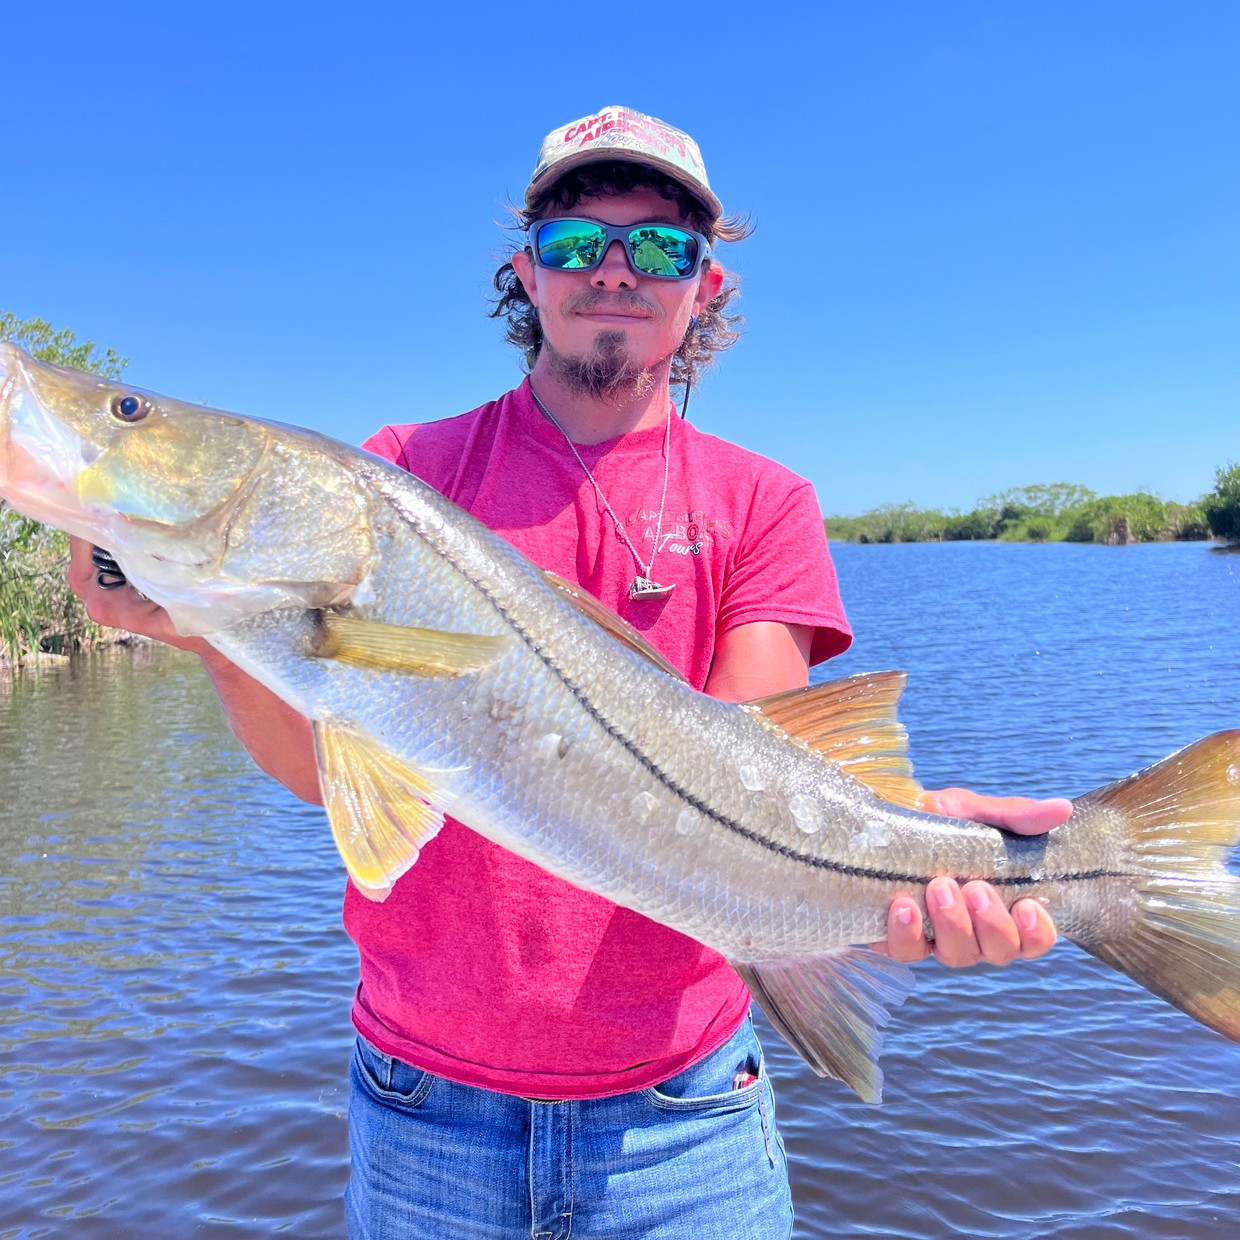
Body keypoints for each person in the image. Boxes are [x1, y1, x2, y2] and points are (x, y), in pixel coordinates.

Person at [69, 105, 1069, 1239]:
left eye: (660, 247)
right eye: (576, 240)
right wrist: (212, 631)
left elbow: (750, 779)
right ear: (526, 273)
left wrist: (911, 848)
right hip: (421, 1109)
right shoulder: (404, 472)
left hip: (684, 1119)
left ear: (706, 287)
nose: (615, 270)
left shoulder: (764, 501)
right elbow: (320, 767)